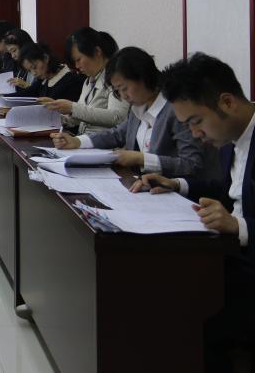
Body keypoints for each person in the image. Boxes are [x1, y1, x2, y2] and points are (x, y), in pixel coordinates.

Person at [137, 54, 255, 372]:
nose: (195, 134)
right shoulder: (232, 139)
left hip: (246, 267)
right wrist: (177, 184)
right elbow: (228, 190)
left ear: (227, 102)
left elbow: (239, 212)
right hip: (229, 255)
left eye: (196, 122)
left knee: (183, 309)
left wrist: (239, 226)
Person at [49, 46, 203, 176]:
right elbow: (117, 134)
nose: (123, 96)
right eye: (118, 91)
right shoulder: (138, 106)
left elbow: (191, 164)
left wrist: (142, 159)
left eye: (124, 88)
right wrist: (77, 141)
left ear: (143, 78)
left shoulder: (176, 110)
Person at [38, 27, 128, 135]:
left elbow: (117, 117)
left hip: (103, 142)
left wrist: (72, 107)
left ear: (97, 52)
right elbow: (81, 117)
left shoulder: (116, 78)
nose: (77, 66)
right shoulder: (88, 82)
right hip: (83, 140)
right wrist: (56, 111)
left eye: (79, 59)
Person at [0, 42, 84, 104]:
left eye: (34, 67)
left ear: (45, 58)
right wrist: (1, 98)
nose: (33, 73)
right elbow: (28, 93)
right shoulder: (44, 79)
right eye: (29, 70)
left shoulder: (71, 80)